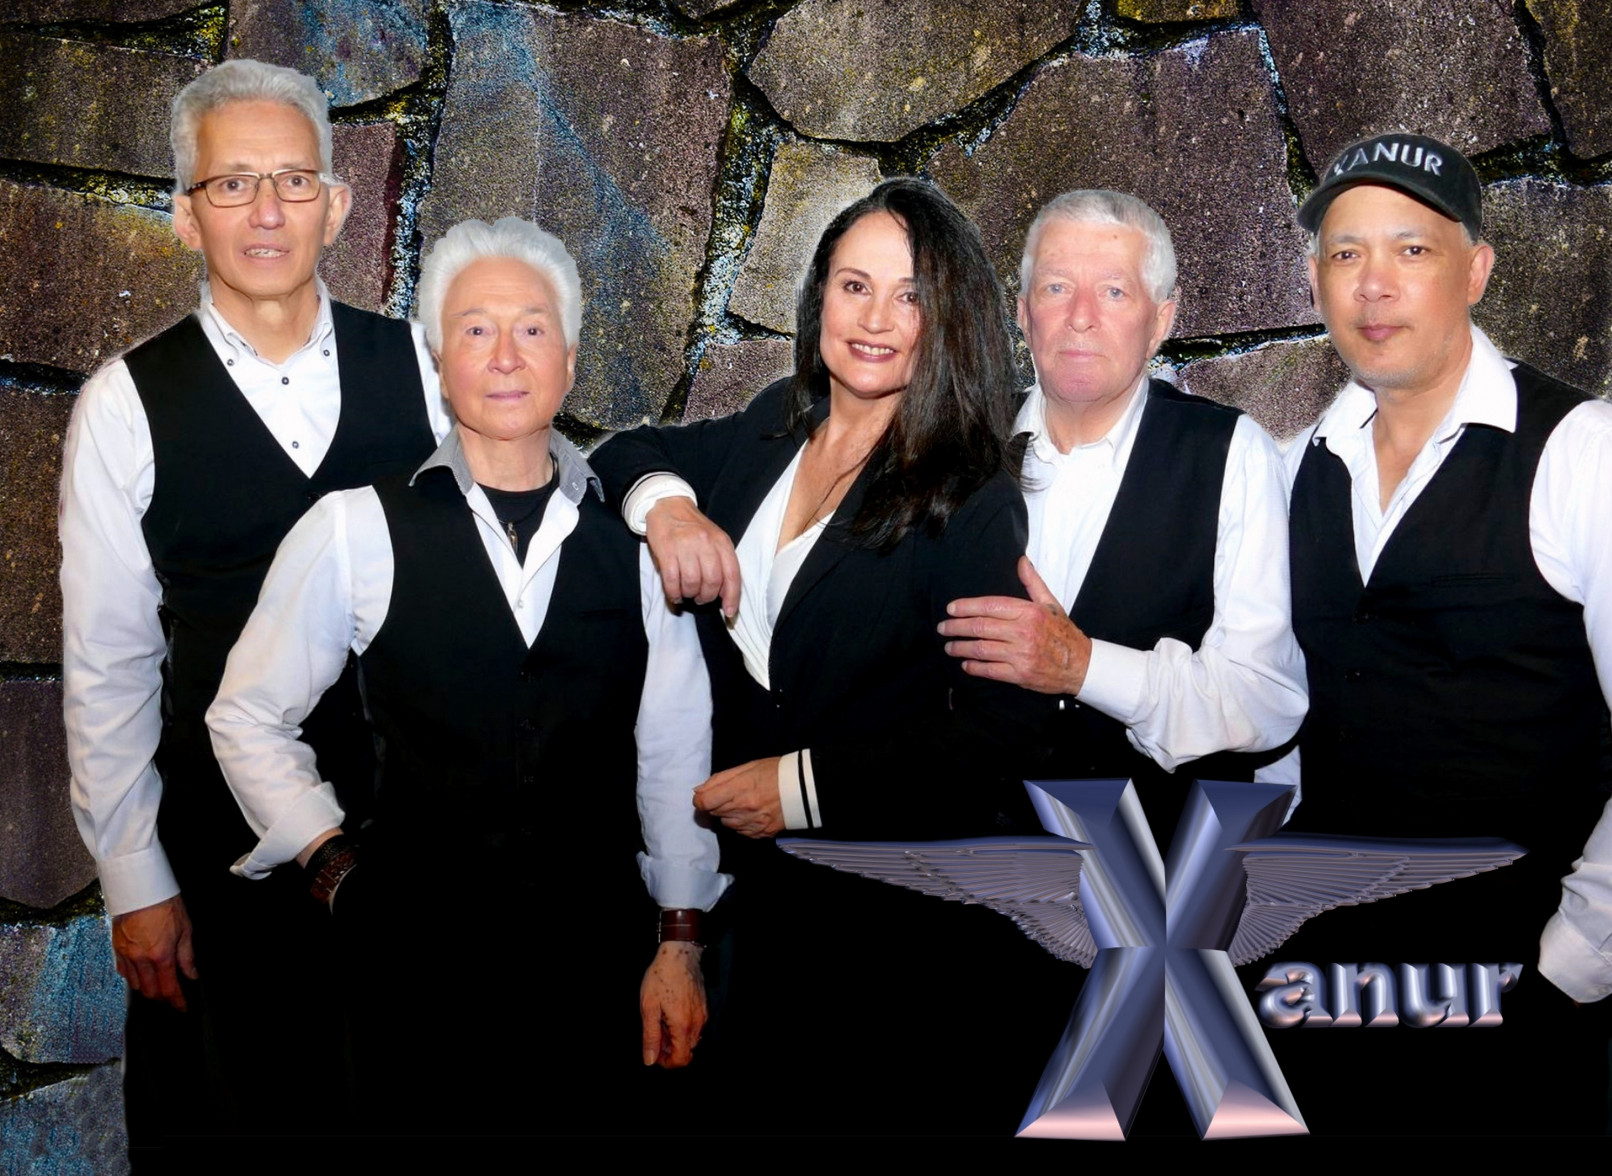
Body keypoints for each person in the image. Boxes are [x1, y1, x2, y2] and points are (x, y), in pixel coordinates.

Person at [1265, 132, 1612, 1157]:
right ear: (1316, 282)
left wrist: (1565, 972)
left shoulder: (1600, 462)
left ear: (1477, 269)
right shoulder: (1288, 472)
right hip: (1328, 1011)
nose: (1374, 284)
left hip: (1529, 1027)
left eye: (1412, 249)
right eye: (1347, 253)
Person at [205, 217, 725, 1132]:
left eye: (532, 328)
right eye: (476, 329)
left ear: (569, 360)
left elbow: (673, 754)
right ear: (441, 364)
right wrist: (332, 865)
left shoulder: (640, 549)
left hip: (597, 971)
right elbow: (246, 715)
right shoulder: (355, 528)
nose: (506, 356)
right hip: (411, 975)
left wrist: (679, 940)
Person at [591, 177, 1066, 1133]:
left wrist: (801, 788)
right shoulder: (777, 422)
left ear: (949, 318)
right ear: (819, 301)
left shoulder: (970, 492)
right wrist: (671, 509)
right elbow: (619, 453)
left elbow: (1003, 733)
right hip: (750, 907)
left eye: (909, 296)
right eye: (854, 287)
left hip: (888, 934)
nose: (875, 319)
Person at [58, 59, 446, 1146]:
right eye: (232, 185)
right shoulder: (124, 405)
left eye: (292, 180)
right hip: (218, 863)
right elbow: (107, 662)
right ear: (186, 216)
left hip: (413, 849)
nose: (267, 212)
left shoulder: (427, 369)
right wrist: (134, 879)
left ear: (338, 204)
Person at [936, 190, 1307, 847]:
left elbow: (1265, 699)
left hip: (1151, 867)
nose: (1080, 318)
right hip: (964, 856)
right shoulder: (957, 446)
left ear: (1161, 319)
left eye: (1113, 292)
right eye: (1056, 288)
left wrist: (1083, 667)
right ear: (1022, 313)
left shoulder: (1230, 453)